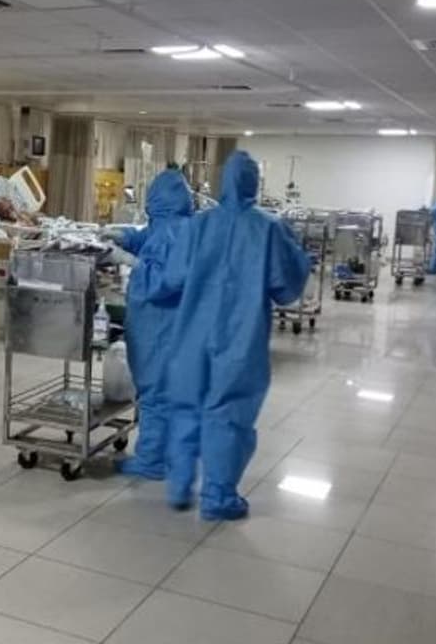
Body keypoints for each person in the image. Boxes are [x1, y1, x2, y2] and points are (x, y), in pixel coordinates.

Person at [155, 151, 309, 518]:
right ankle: (218, 497)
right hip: (240, 335)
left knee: (186, 405)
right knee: (228, 412)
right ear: (254, 182)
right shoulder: (269, 229)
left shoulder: (197, 226)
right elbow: (287, 289)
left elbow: (172, 278)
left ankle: (179, 486)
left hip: (193, 331)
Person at [106, 169, 194, 480]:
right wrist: (123, 237)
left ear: (157, 201)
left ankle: (152, 461)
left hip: (160, 325)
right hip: (168, 324)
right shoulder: (175, 226)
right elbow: (148, 239)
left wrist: (128, 261)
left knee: (156, 392)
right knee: (167, 392)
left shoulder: (175, 232)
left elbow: (165, 280)